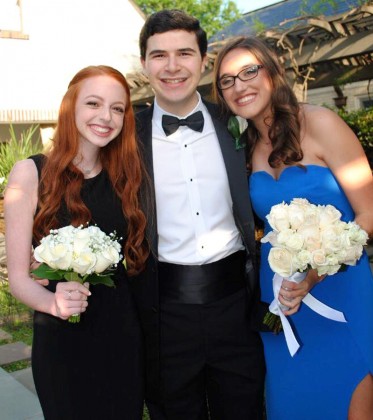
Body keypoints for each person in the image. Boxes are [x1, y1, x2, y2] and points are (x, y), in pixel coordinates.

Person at [213, 35, 373, 420]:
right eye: (227, 80)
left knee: (349, 395)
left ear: (273, 72)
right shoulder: (242, 148)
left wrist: (315, 273)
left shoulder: (321, 123)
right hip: (282, 299)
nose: (240, 85)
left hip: (340, 291)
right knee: (291, 404)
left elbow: (369, 212)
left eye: (249, 71)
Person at [130, 9, 265, 420]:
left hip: (237, 308)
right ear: (145, 64)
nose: (172, 67)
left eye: (184, 53)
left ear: (203, 61)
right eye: (159, 55)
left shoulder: (239, 123)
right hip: (163, 314)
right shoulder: (124, 137)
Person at [4, 65, 149, 420]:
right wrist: (52, 302)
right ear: (70, 107)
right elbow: (20, 278)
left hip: (122, 334)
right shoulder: (30, 173)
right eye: (94, 103)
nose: (106, 116)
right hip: (61, 339)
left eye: (117, 108)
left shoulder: (128, 178)